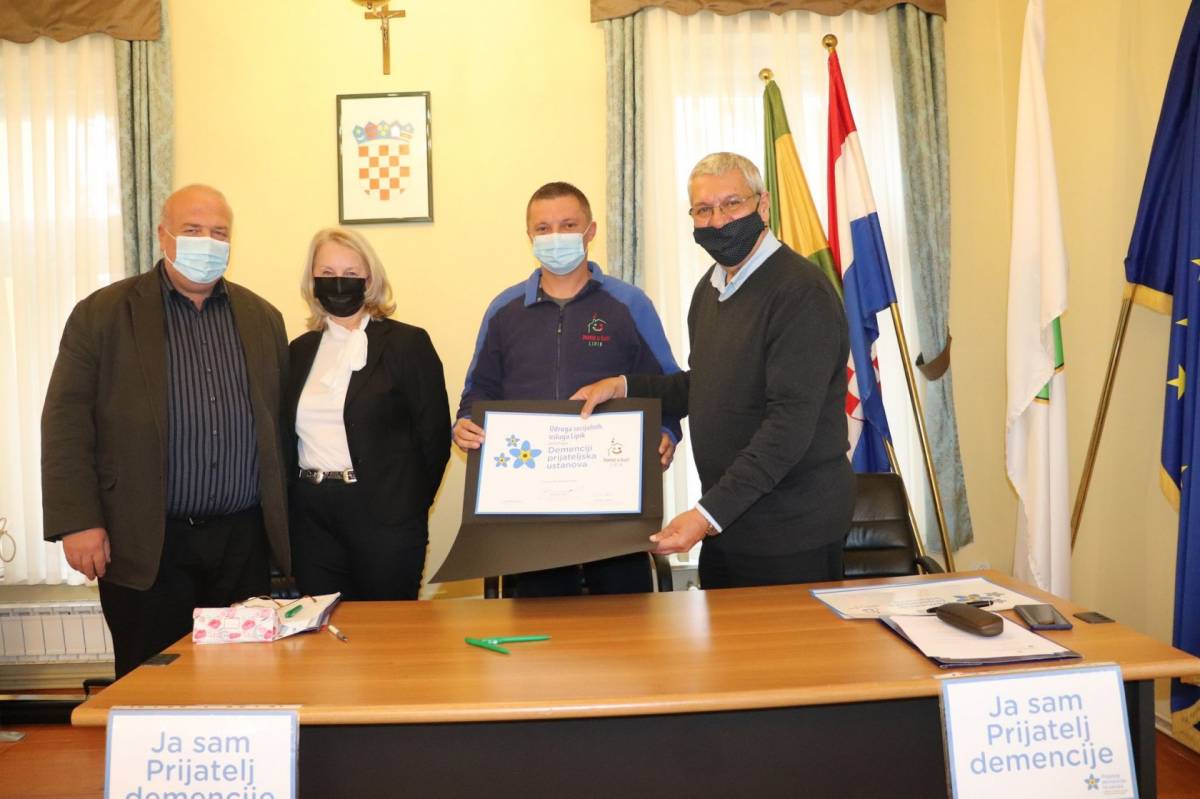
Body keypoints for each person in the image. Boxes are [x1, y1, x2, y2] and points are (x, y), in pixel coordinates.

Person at [41, 184, 291, 678]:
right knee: (151, 686)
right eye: (193, 230)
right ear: (162, 235)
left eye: (219, 233)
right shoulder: (103, 314)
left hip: (242, 543)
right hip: (145, 542)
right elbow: (66, 421)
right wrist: (77, 521)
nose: (207, 242)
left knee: (243, 683)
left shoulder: (263, 318)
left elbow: (279, 426)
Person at [573, 152, 855, 589]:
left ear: (763, 206)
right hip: (729, 524)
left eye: (732, 204)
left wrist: (705, 516)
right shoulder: (710, 290)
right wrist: (622, 386)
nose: (718, 221)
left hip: (791, 533)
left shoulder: (801, 293)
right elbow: (705, 384)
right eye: (703, 210)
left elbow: (788, 427)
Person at [453, 181, 682, 597]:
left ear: (590, 231)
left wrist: (666, 431)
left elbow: (667, 385)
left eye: (568, 225)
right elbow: (479, 390)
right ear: (529, 236)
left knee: (625, 625)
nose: (555, 236)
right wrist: (466, 422)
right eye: (543, 228)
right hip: (531, 515)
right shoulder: (503, 310)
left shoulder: (630, 304)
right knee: (541, 629)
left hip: (616, 510)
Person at [285, 227, 450, 600]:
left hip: (386, 517)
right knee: (322, 626)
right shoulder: (299, 351)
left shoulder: (408, 344)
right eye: (327, 273)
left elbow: (434, 438)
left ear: (370, 279)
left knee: (387, 628)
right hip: (312, 519)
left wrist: (405, 508)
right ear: (312, 280)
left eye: (350, 273)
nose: (338, 282)